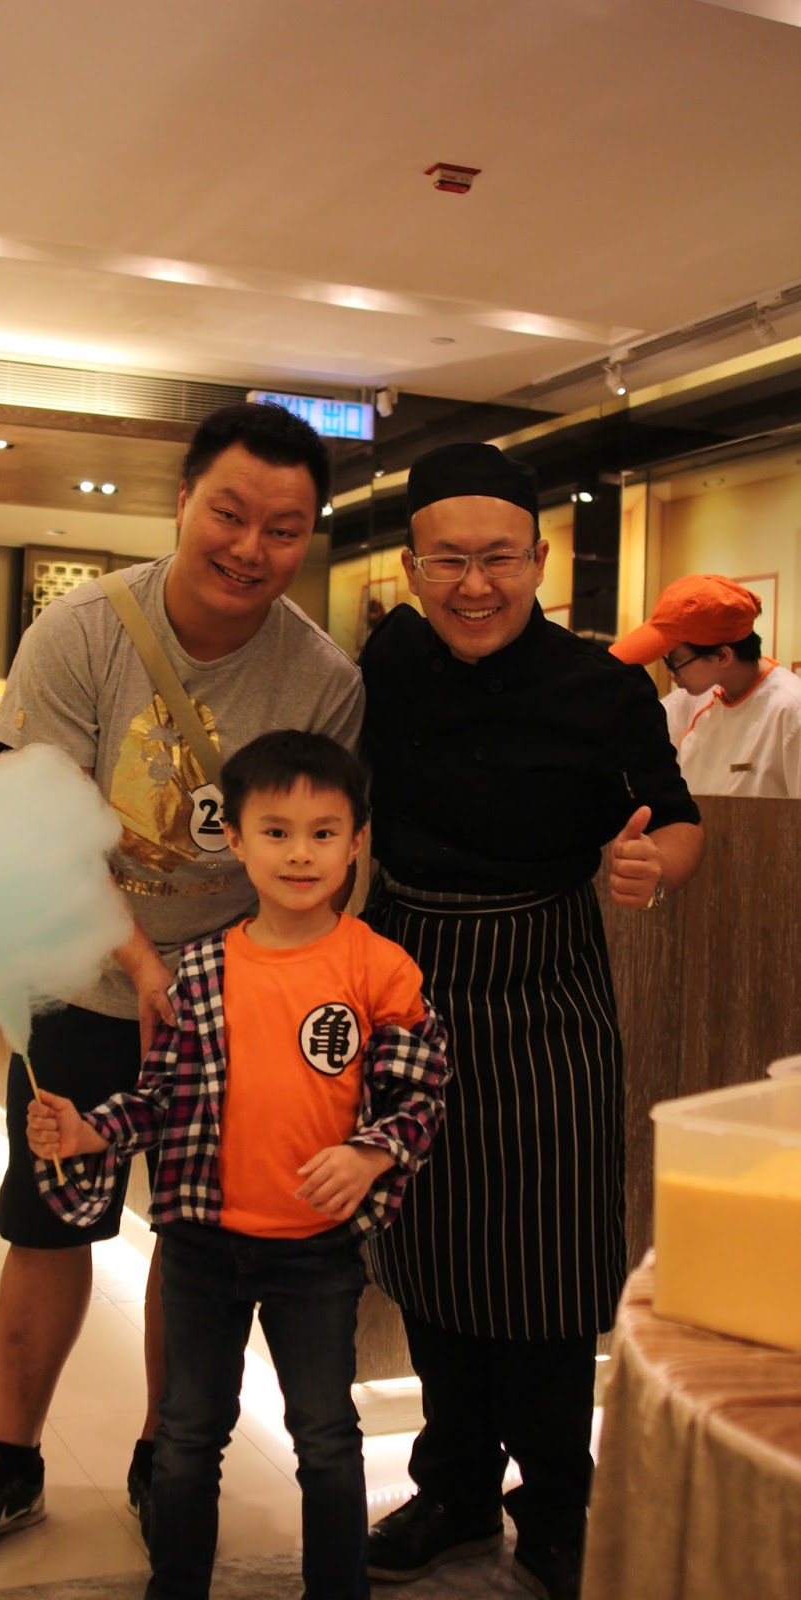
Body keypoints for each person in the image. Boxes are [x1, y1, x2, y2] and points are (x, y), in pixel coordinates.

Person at [0, 404, 364, 1568]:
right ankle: (11, 1460)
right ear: (182, 502)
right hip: (78, 983)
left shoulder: (321, 676)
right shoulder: (83, 630)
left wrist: (252, 988)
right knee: (51, 1219)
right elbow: (45, 831)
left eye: (282, 529)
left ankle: (169, 1455)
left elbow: (311, 853)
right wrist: (147, 964)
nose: (250, 547)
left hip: (227, 1007)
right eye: (229, 514)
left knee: (196, 1237)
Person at [358, 442, 704, 1600]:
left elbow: (679, 819)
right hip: (410, 980)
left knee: (549, 1261)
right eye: (448, 560)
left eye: (498, 558)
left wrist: (653, 863)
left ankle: (558, 1503)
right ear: (411, 567)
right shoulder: (387, 660)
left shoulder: (601, 686)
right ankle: (452, 1487)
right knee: (428, 1242)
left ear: (540, 559)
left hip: (547, 983)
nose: (474, 585)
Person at [27, 729, 451, 1600]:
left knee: (327, 1439)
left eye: (323, 833)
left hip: (318, 1254)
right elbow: (159, 1099)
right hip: (200, 1248)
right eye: (276, 831)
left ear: (357, 842)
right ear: (237, 840)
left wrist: (369, 1154)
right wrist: (86, 1133)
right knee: (187, 1436)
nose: (300, 853)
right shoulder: (201, 971)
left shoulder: (380, 968)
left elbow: (421, 1095)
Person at [610, 573, 801, 797]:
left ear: (722, 656)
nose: (670, 673)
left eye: (674, 661)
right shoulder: (688, 702)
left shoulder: (790, 710)